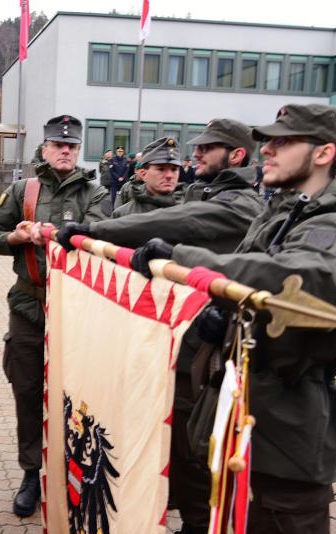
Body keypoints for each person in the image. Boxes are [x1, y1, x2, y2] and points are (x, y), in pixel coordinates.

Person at [130, 103, 336, 534]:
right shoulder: (284, 209)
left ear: (323, 153)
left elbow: (298, 276)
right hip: (249, 417)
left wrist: (184, 259)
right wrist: (220, 312)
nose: (267, 151)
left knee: (280, 517)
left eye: (283, 142)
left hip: (289, 433)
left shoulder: (327, 221)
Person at [58, 118, 264, 533]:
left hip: (204, 351)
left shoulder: (240, 203)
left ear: (236, 155)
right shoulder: (204, 190)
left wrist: (94, 230)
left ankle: (196, 522)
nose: (195, 155)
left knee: (193, 454)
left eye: (207, 148)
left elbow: (183, 223)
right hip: (168, 345)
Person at [0, 115, 108, 518]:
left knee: (75, 396)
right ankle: (29, 471)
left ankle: (71, 467)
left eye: (72, 146)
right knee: (27, 390)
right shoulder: (23, 189)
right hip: (28, 307)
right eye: (58, 145)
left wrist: (64, 234)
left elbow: (105, 239)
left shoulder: (96, 192)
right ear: (45, 148)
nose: (66, 151)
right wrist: (17, 237)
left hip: (76, 312)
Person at [112, 137, 183, 218]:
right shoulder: (123, 214)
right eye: (161, 169)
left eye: (174, 169)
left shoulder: (188, 213)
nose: (169, 175)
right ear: (143, 174)